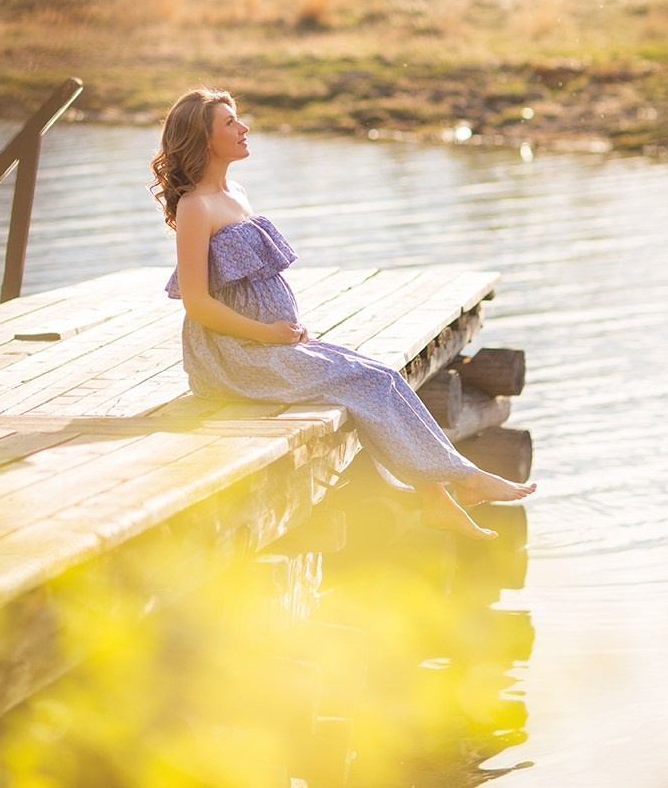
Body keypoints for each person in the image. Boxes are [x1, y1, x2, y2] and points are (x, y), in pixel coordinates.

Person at [150, 87, 535, 541]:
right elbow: (197, 303)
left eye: (239, 119)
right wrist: (267, 334)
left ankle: (440, 500)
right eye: (230, 123)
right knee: (367, 382)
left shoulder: (236, 193)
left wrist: (279, 333)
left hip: (271, 344)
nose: (244, 128)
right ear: (203, 138)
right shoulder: (195, 207)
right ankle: (463, 479)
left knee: (382, 375)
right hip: (233, 358)